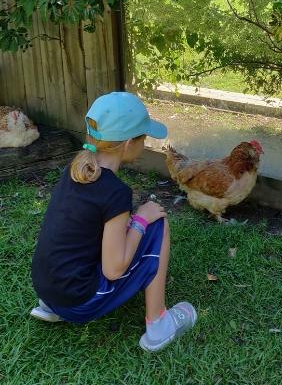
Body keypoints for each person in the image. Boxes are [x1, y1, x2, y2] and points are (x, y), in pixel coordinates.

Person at [29, 92, 197, 352]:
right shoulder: (115, 192)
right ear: (129, 144)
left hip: (49, 291)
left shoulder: (75, 170)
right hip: (79, 302)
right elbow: (114, 270)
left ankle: (49, 307)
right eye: (144, 137)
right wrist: (141, 220)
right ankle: (159, 326)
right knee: (157, 224)